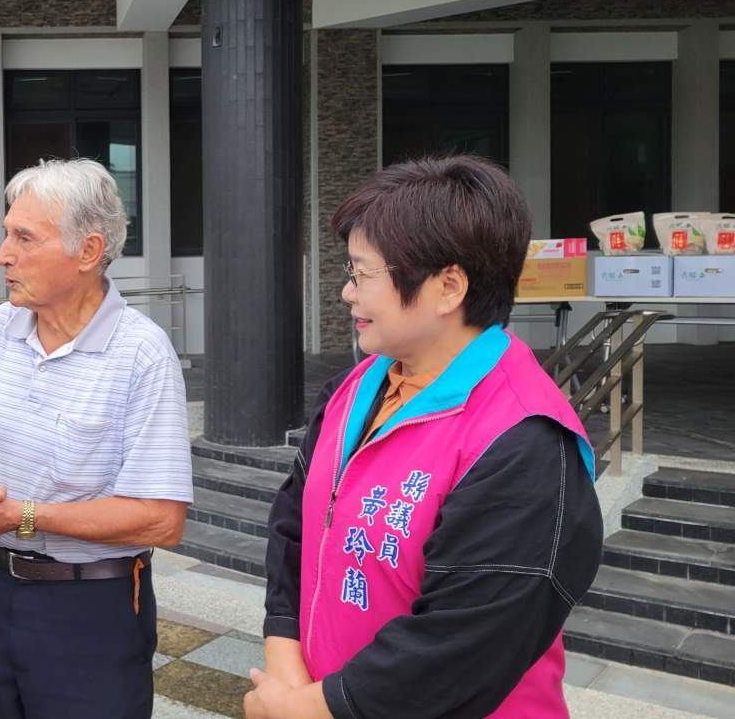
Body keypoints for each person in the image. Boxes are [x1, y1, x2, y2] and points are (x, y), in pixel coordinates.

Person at [247, 156, 603, 719]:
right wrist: (286, 664)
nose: (347, 292)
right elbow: (293, 526)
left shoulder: (524, 441)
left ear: (448, 287)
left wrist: (305, 710)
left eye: (364, 274)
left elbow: (462, 645)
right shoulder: (354, 389)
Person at [0, 158, 194, 719]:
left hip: (89, 607)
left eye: (24, 238)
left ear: (88, 251)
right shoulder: (0, 327)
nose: (3, 254)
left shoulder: (142, 354)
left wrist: (24, 516)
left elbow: (161, 519)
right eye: (7, 234)